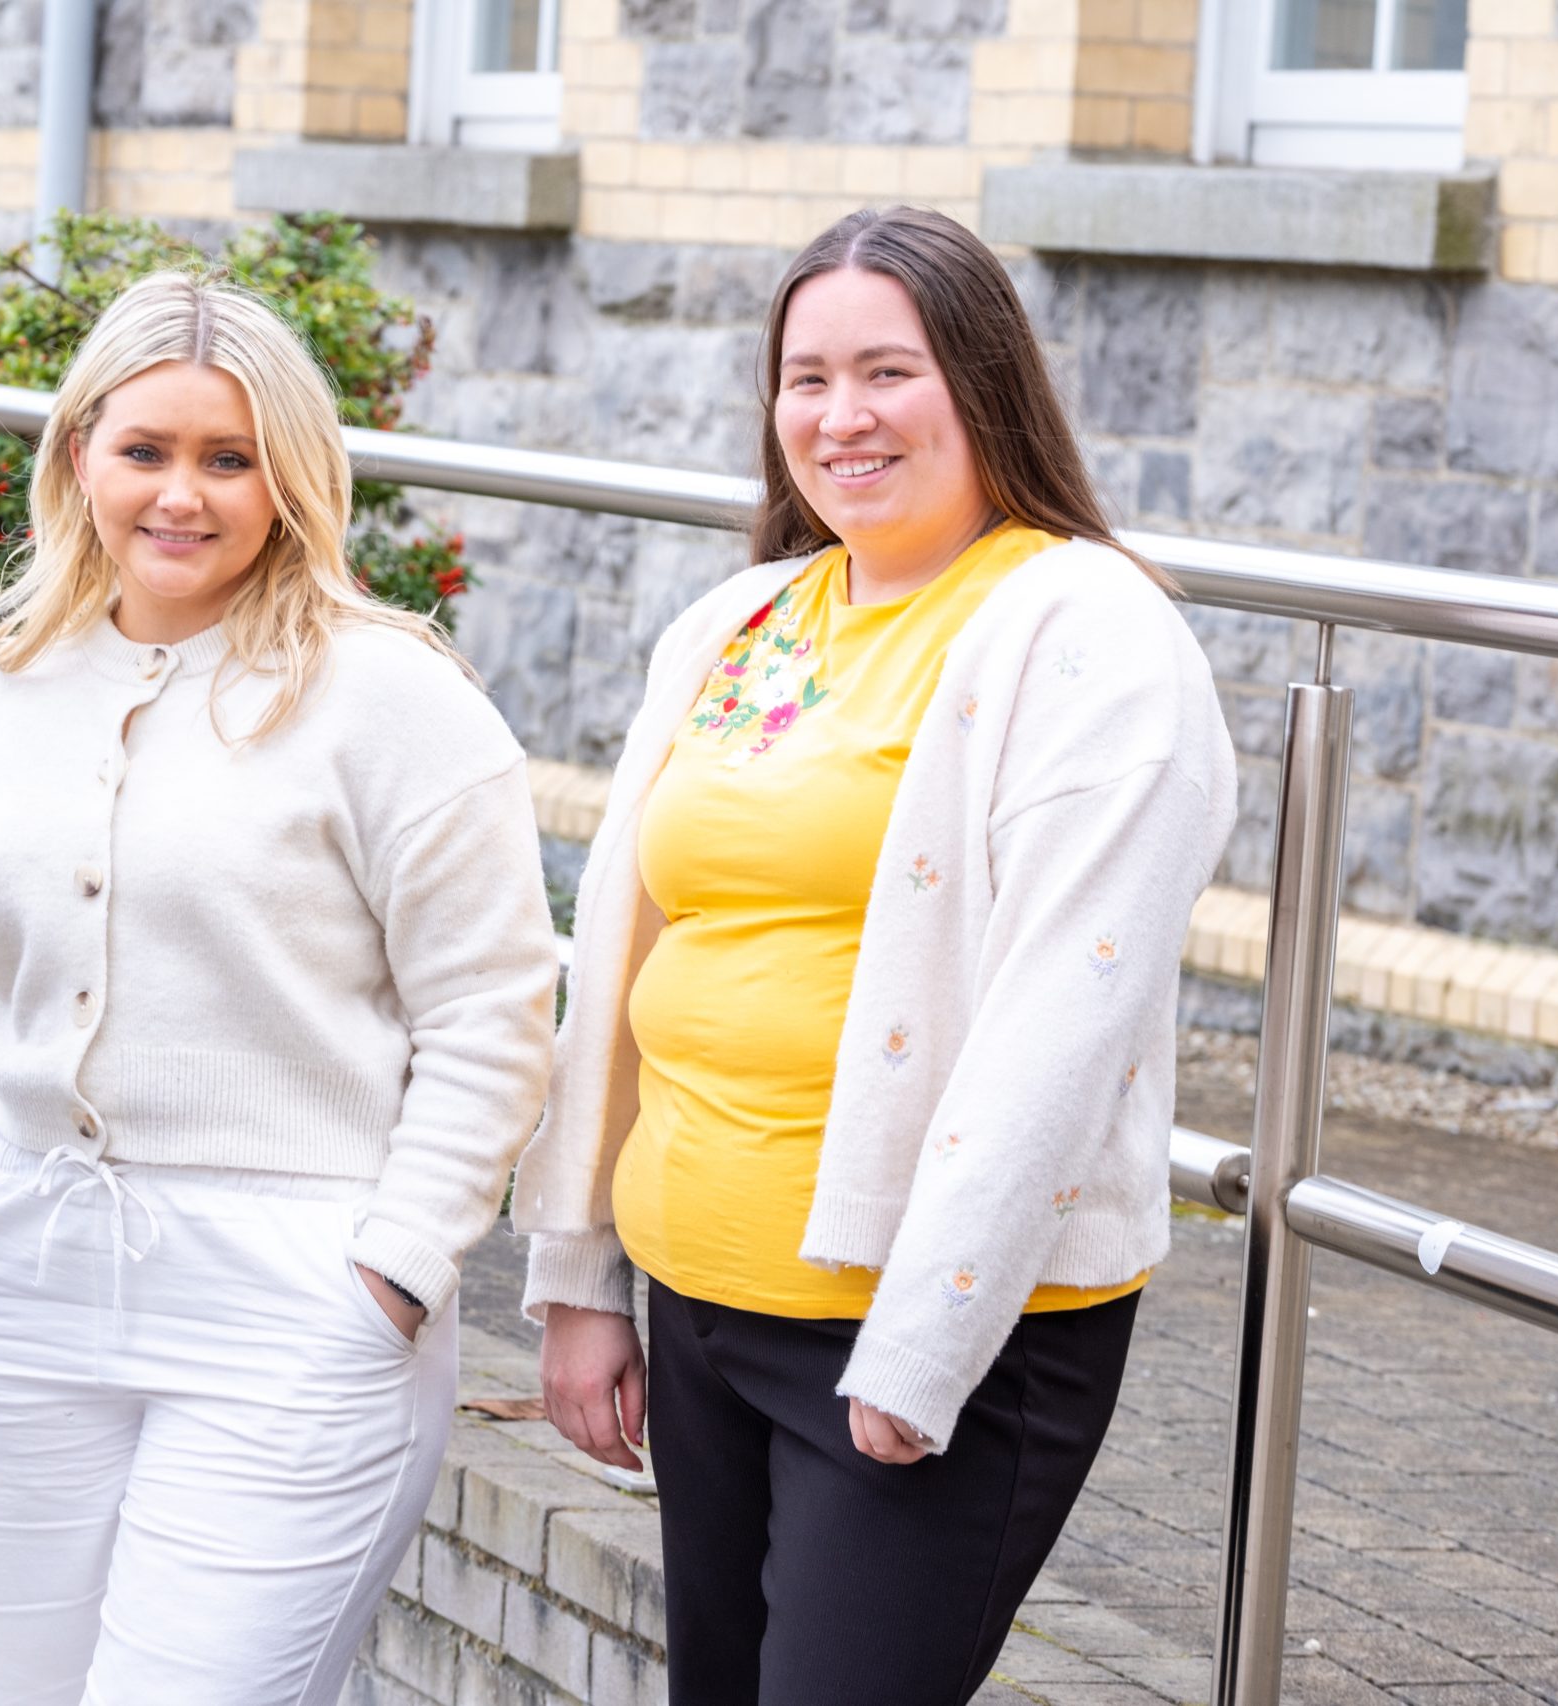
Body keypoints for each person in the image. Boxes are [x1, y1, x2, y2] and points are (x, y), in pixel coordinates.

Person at [517, 205, 1237, 1706]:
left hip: (923, 1336)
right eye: (805, 378)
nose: (840, 417)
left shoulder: (1084, 628)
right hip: (699, 1302)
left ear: (982, 382)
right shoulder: (744, 618)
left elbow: (1067, 1012)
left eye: (887, 372)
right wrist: (581, 1270)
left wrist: (925, 1346)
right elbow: (626, 948)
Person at [0, 270, 559, 1705]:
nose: (181, 495)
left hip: (290, 1299)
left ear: (291, 475)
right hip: (15, 1266)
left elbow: (496, 1012)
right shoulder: (13, 681)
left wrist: (394, 1268)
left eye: (228, 457)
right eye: (145, 451)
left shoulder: (392, 698)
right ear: (80, 458)